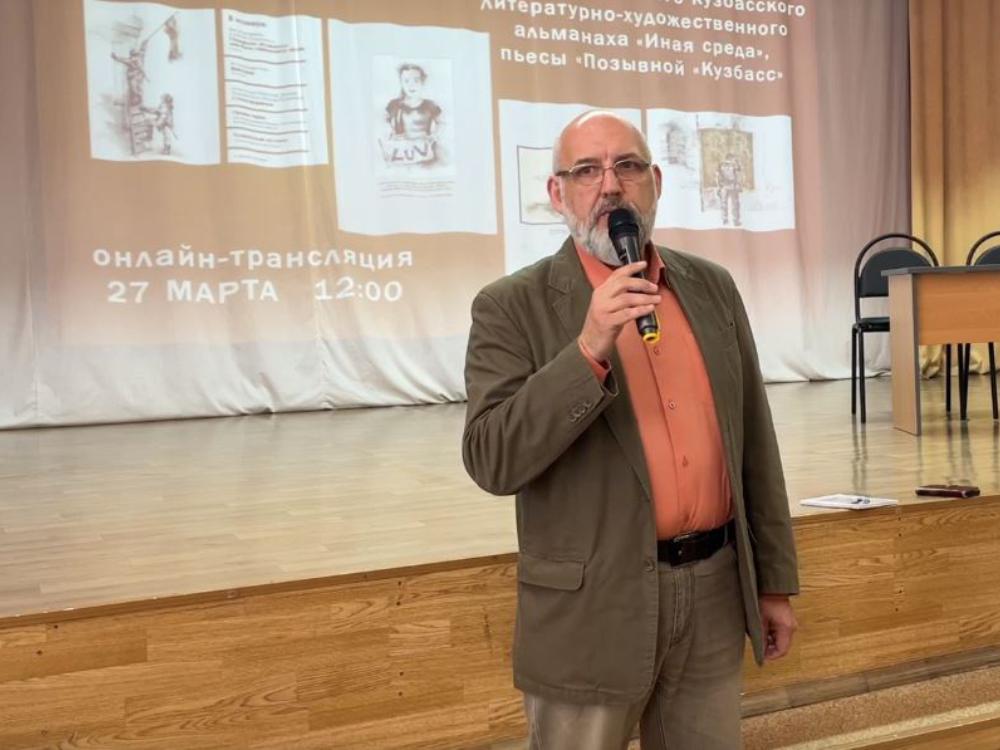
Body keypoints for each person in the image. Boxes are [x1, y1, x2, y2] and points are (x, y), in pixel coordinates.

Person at [462, 111, 798, 749]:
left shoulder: (712, 288)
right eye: (587, 170)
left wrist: (774, 581)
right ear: (558, 193)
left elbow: (755, 440)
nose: (610, 185)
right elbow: (491, 458)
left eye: (628, 166)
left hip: (713, 591)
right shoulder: (511, 305)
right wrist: (588, 347)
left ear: (656, 182)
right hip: (591, 608)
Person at [384, 63, 442, 141]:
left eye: (416, 81)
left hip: (425, 146)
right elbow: (383, 126)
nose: (411, 85)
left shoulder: (431, 106)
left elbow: (442, 126)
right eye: (406, 81)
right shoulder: (394, 106)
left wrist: (434, 136)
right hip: (400, 146)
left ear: (422, 82)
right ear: (401, 83)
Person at [716, 151, 744, 227]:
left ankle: (726, 220)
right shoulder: (733, 165)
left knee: (725, 204)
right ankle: (735, 221)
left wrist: (719, 186)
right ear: (730, 158)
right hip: (731, 185)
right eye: (732, 158)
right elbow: (738, 175)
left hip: (726, 186)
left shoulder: (722, 164)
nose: (733, 160)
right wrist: (739, 185)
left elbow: (718, 176)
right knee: (734, 204)